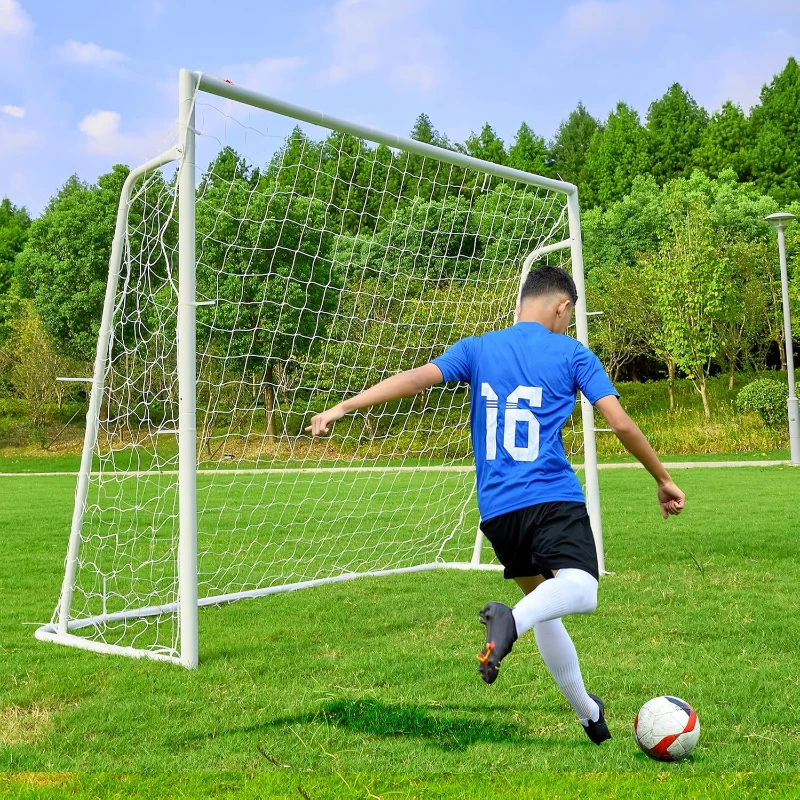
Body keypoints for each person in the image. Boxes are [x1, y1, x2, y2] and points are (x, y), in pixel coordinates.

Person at [306, 265, 685, 745]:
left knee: (547, 602)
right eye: (570, 316)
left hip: (499, 514)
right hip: (551, 499)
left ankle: (589, 714)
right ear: (562, 306)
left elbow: (415, 379)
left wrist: (343, 407)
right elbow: (622, 425)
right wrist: (663, 478)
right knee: (582, 588)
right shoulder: (573, 353)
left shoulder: (478, 347)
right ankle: (512, 622)